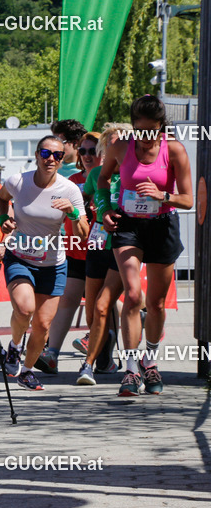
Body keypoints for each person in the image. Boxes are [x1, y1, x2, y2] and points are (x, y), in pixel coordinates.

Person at [98, 94, 192, 396]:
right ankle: (130, 370)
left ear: (161, 127)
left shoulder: (174, 150)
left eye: (153, 130)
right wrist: (105, 211)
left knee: (156, 303)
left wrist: (162, 195)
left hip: (162, 225)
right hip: (128, 226)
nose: (147, 137)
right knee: (133, 294)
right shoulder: (120, 147)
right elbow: (101, 181)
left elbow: (188, 200)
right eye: (141, 130)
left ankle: (150, 361)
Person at [0, 136, 86, 391]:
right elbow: (1, 198)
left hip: (53, 263)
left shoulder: (69, 190)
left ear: (62, 160)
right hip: (20, 257)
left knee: (43, 325)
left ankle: (26, 371)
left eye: (57, 155)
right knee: (25, 310)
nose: (51, 159)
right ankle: (14, 346)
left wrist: (74, 213)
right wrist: (4, 217)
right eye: (46, 153)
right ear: (37, 155)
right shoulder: (18, 181)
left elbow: (82, 233)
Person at [34, 130, 96, 374]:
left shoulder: (113, 180)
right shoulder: (72, 182)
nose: (87, 155)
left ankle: (98, 357)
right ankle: (52, 355)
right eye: (83, 151)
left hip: (104, 252)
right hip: (75, 251)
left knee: (101, 306)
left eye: (93, 151)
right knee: (69, 300)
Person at [77, 123, 133, 385]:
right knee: (92, 313)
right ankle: (105, 355)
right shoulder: (96, 173)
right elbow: (80, 197)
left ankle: (87, 366)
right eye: (109, 145)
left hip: (122, 247)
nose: (115, 150)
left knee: (102, 306)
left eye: (119, 144)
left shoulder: (134, 173)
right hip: (97, 245)